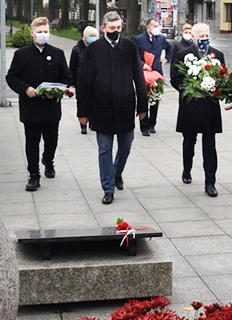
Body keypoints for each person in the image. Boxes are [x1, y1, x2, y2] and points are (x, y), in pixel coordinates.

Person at [77, 11, 148, 205]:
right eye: (112, 28)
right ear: (103, 28)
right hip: (102, 108)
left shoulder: (129, 47)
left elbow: (138, 77)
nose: (116, 31)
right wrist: (82, 112)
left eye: (118, 28)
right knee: (105, 149)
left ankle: (117, 172)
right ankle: (108, 188)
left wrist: (143, 106)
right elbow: (85, 82)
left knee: (126, 145)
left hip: (125, 106)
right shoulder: (93, 50)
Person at [6, 17, 71, 192]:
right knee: (32, 142)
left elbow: (66, 78)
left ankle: (48, 161)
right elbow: (11, 77)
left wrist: (56, 91)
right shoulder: (21, 55)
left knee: (51, 140)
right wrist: (25, 88)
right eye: (39, 31)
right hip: (31, 108)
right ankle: (34, 175)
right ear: (32, 33)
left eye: (46, 31)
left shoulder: (57, 53)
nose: (43, 35)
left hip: (51, 108)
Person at [170, 23, 224, 197]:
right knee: (189, 141)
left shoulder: (217, 55)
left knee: (210, 145)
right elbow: (175, 79)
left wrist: (219, 90)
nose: (203, 38)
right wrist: (190, 90)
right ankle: (187, 169)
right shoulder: (182, 55)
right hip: (190, 107)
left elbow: (222, 77)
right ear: (192, 37)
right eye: (200, 35)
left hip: (210, 107)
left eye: (206, 35)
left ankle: (210, 182)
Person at [134, 19, 172, 136]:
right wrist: (142, 64)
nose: (158, 28)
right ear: (148, 28)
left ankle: (152, 124)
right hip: (143, 74)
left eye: (158, 25)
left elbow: (169, 48)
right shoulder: (139, 39)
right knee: (143, 99)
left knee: (155, 99)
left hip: (156, 73)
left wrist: (167, 59)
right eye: (155, 26)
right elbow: (134, 55)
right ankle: (144, 126)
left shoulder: (161, 39)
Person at [70, 26, 99, 135]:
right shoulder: (77, 48)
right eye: (91, 36)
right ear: (85, 36)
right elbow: (72, 66)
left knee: (94, 101)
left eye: (95, 36)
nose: (93, 38)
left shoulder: (97, 48)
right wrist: (72, 81)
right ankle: (83, 125)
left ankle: (92, 122)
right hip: (81, 81)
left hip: (95, 80)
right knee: (82, 103)